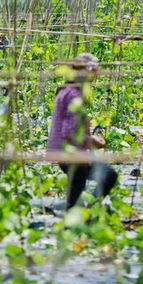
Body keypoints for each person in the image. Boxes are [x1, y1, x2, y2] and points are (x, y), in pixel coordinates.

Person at [47, 53, 118, 210]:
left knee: (76, 196)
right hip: (72, 155)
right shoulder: (73, 95)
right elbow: (69, 132)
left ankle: (84, 212)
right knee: (108, 176)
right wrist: (91, 140)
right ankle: (85, 213)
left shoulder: (67, 90)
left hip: (67, 153)